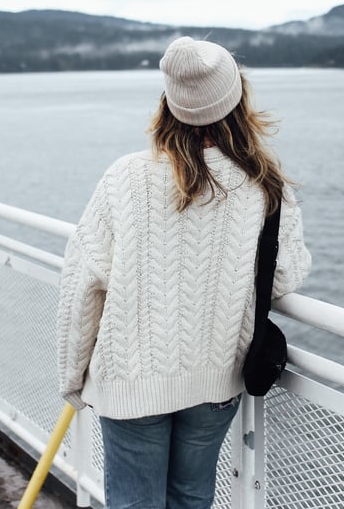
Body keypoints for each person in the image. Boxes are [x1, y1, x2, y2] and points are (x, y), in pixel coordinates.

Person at [56, 36, 311, 509]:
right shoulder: (265, 186)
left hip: (130, 379)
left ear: (168, 106)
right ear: (237, 102)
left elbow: (83, 283)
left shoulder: (126, 177)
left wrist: (72, 375)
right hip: (217, 377)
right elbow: (283, 277)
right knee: (192, 499)